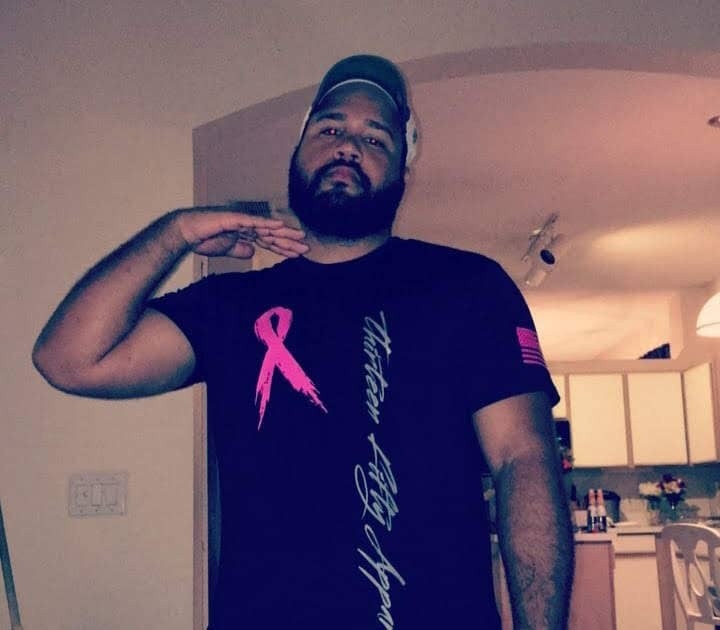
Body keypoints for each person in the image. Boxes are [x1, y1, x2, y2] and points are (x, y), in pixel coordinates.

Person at [33, 55, 574, 629]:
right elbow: (69, 360)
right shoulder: (232, 305)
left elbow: (522, 460)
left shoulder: (469, 287)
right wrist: (175, 233)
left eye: (375, 137)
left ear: (404, 172)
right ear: (297, 152)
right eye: (330, 128)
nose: (348, 147)